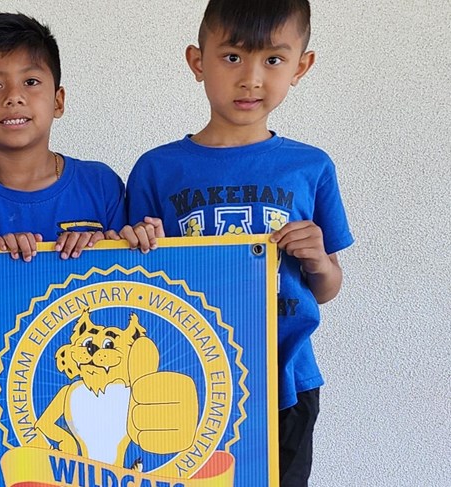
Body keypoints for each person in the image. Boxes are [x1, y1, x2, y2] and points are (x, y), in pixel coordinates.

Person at [124, 1, 352, 484]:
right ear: (197, 61)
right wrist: (143, 242)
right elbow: (134, 282)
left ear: (301, 66)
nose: (251, 78)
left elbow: (328, 286)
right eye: (232, 57)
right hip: (188, 376)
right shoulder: (156, 169)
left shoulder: (311, 167)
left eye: (273, 59)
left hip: (286, 376)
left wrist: (317, 260)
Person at [0, 13, 130, 262]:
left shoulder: (100, 184)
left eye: (30, 81)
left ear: (58, 101)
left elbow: (128, 267)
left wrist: (102, 245)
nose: (14, 96)